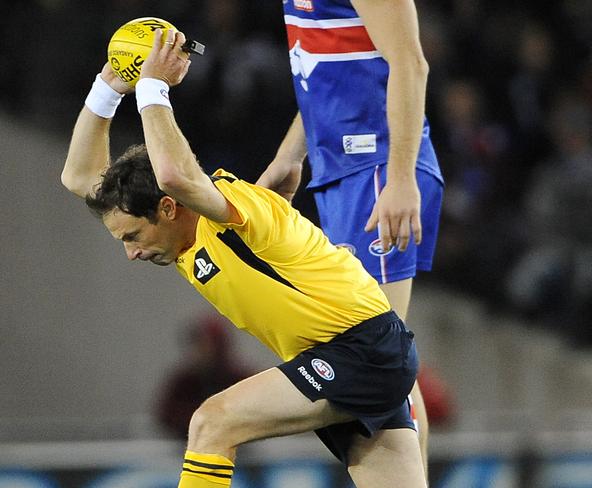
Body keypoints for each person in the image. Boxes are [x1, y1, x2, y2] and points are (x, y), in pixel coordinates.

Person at [61, 29, 427, 488]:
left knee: (213, 422)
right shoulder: (176, 239)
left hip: (363, 350)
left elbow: (174, 174)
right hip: (351, 354)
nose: (131, 252)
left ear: (169, 208)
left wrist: (153, 86)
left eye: (132, 236)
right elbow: (79, 176)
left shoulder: (231, 211)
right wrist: (110, 85)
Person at [256, 0, 445, 472]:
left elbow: (410, 63)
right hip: (342, 171)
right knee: (385, 350)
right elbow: (319, 67)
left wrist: (400, 179)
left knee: (376, 353)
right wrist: (290, 155)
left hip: (376, 170)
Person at [156, 313, 254, 439]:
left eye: (204, 344)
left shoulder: (240, 379)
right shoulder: (184, 381)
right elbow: (167, 415)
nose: (199, 350)